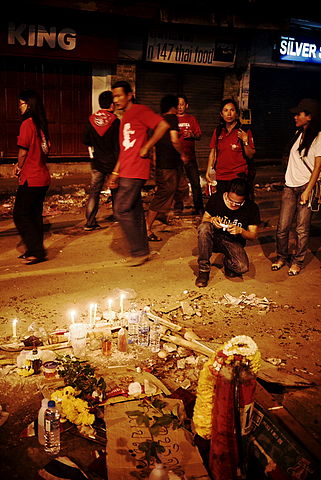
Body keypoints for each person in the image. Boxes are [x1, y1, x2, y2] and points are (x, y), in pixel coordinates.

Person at [108, 80, 170, 266]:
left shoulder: (140, 111)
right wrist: (115, 172)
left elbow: (163, 125)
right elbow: (123, 149)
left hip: (136, 169)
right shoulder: (124, 118)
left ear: (129, 95)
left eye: (119, 95)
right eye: (114, 96)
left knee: (120, 209)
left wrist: (147, 147)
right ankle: (142, 249)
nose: (116, 99)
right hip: (126, 169)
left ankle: (139, 251)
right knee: (133, 212)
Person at [272, 98, 321, 276]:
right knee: (282, 227)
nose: (295, 117)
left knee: (301, 229)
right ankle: (281, 257)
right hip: (289, 187)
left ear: (309, 116)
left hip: (305, 187)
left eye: (299, 113)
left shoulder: (319, 137)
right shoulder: (298, 134)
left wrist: (308, 191)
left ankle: (298, 261)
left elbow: (318, 167)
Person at [195, 178, 260, 287]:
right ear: (227, 193)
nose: (233, 205)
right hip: (213, 237)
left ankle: (228, 262)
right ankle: (204, 270)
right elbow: (204, 221)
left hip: (233, 241)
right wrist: (212, 220)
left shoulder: (251, 207)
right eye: (230, 200)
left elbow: (253, 235)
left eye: (238, 203)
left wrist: (241, 231)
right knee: (204, 228)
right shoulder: (216, 198)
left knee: (241, 267)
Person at [13, 89, 51, 265]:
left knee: (20, 214)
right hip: (42, 176)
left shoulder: (27, 124)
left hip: (32, 177)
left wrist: (18, 166)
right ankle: (35, 249)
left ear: (28, 105)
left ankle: (35, 251)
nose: (19, 108)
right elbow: (46, 150)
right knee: (34, 215)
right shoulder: (41, 125)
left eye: (20, 104)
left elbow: (23, 152)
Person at [146, 95, 188, 241]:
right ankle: (147, 227)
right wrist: (182, 154)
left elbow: (153, 146)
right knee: (163, 194)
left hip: (165, 165)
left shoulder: (158, 121)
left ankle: (164, 214)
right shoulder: (172, 119)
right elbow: (175, 140)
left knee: (178, 188)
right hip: (168, 165)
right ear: (173, 107)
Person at [83, 90, 120, 231]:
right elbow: (118, 145)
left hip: (97, 162)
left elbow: (85, 140)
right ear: (111, 105)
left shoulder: (91, 119)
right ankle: (117, 216)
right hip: (112, 163)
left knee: (94, 193)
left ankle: (90, 222)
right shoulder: (116, 122)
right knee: (115, 191)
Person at [206, 98, 256, 196]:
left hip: (238, 177)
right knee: (222, 206)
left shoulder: (244, 130)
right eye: (226, 110)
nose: (229, 114)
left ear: (236, 113)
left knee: (237, 206)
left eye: (232, 110)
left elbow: (250, 155)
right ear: (221, 114)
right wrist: (209, 170)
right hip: (220, 177)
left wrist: (245, 141)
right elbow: (213, 152)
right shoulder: (218, 130)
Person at [175, 94, 204, 215]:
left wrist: (192, 135)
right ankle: (178, 207)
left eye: (182, 104)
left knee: (195, 183)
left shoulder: (191, 119)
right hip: (176, 158)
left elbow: (199, 135)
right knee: (177, 184)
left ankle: (199, 207)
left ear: (186, 106)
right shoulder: (172, 119)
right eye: (177, 104)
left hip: (190, 157)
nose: (179, 107)